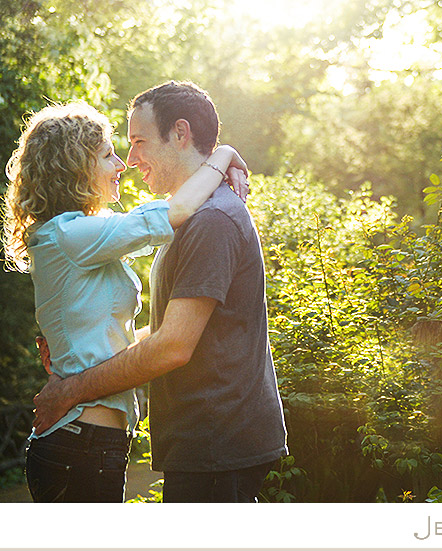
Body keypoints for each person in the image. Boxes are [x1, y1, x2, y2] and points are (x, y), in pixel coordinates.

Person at [31, 81, 288, 503]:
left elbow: (172, 346)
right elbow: (166, 332)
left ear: (181, 134)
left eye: (137, 142)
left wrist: (72, 389)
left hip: (217, 440)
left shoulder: (210, 221)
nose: (130, 160)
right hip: (202, 440)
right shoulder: (188, 222)